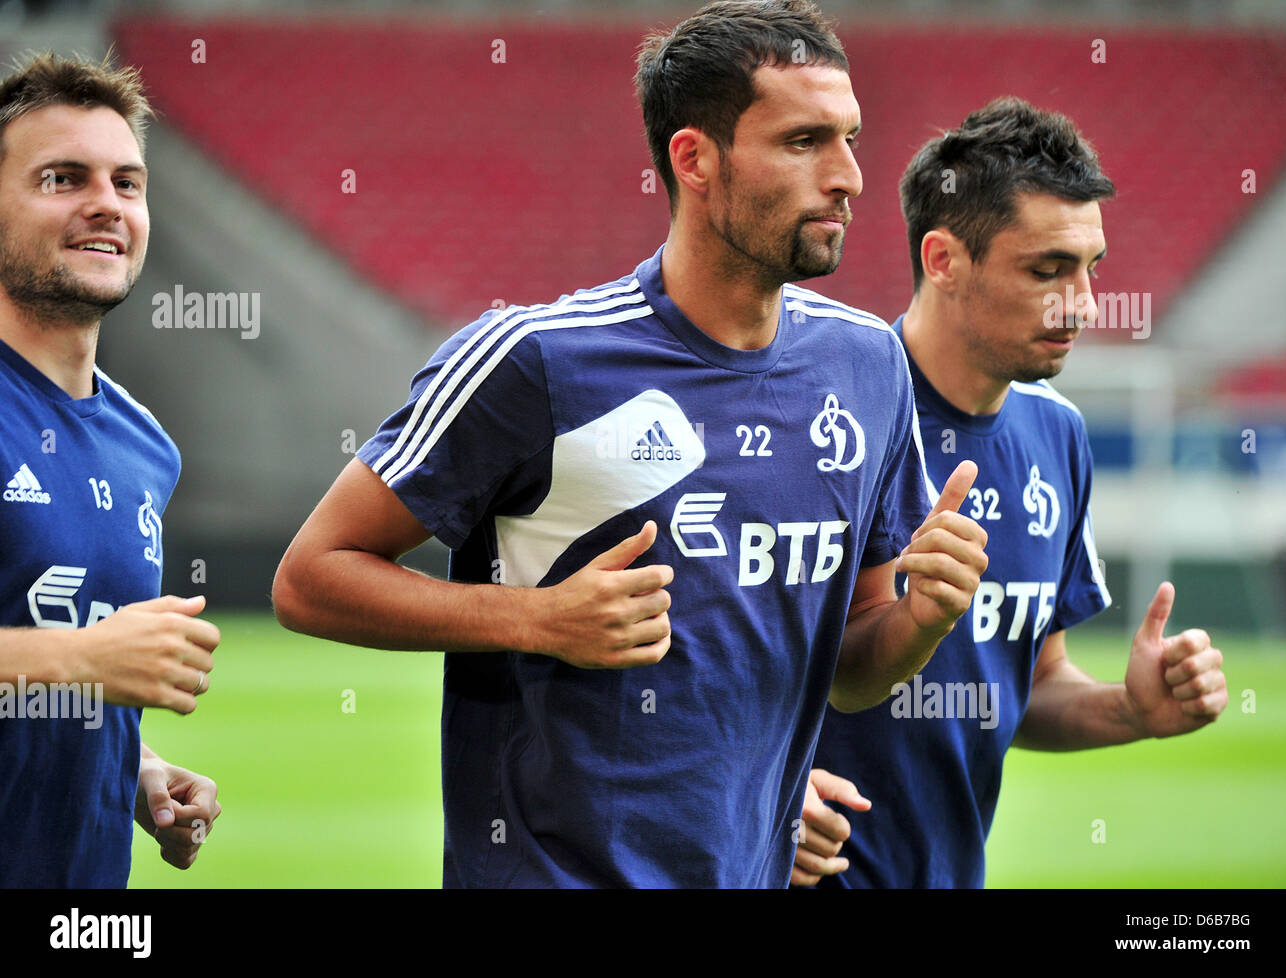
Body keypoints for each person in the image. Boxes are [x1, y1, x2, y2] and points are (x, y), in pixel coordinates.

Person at [273, 0, 988, 888]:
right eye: (804, 141)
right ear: (695, 159)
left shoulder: (868, 364)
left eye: (850, 138)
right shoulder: (537, 359)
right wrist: (535, 620)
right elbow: (310, 578)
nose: (848, 175)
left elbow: (850, 671)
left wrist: (922, 619)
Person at [793, 97, 1228, 889]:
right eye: (1046, 269)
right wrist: (762, 809)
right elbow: (709, 673)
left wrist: (1131, 712)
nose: (1083, 303)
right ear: (943, 259)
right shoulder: (823, 419)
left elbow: (1025, 688)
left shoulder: (1057, 435)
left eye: (1091, 267)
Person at [0, 53, 221, 887]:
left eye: (127, 183)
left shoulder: (143, 443)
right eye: (62, 178)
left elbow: (52, 657)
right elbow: (74, 657)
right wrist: (85, 664)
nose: (107, 203)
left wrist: (138, 770)